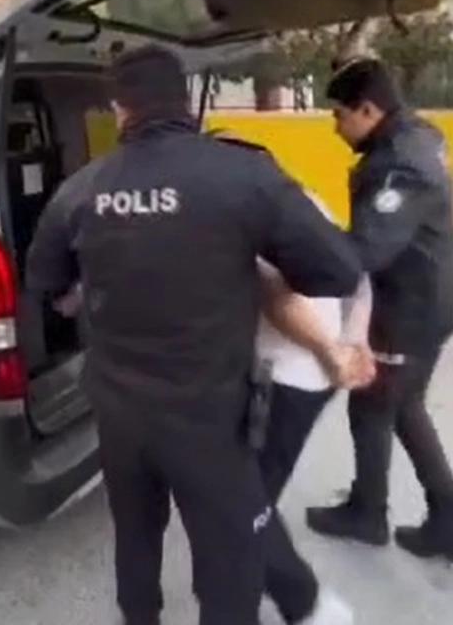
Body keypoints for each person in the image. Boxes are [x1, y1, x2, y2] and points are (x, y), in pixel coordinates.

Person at [25, 45, 362, 625]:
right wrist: (252, 268)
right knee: (229, 557)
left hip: (120, 413)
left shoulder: (79, 189)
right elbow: (336, 270)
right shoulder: (243, 175)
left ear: (120, 108)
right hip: (210, 419)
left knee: (135, 537)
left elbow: (48, 288)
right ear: (184, 102)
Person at [306, 59, 453, 562]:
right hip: (427, 296)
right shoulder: (416, 137)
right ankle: (445, 519)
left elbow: (366, 250)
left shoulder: (398, 165)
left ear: (368, 110)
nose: (336, 126)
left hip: (410, 306)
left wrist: (303, 234)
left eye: (340, 115)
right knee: (402, 404)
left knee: (373, 403)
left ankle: (369, 514)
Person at [252, 214, 375, 625]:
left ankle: (306, 605)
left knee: (244, 501)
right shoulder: (315, 204)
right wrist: (353, 340)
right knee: (260, 489)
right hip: (313, 378)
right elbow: (360, 277)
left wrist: (330, 352)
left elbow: (277, 297)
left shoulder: (257, 210)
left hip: (282, 377)